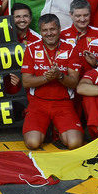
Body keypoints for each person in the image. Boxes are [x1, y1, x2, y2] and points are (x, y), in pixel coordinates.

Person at [20, 14, 82, 150]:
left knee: (74, 143)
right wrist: (47, 78)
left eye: (52, 29)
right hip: (38, 103)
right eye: (45, 30)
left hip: (63, 104)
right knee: (33, 143)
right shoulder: (31, 49)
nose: (49, 34)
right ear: (40, 32)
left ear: (59, 29)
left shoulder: (71, 48)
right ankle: (47, 128)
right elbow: (26, 82)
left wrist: (59, 76)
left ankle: (56, 129)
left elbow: (74, 83)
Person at [61, 0, 98, 73]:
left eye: (86, 15)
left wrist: (97, 63)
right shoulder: (62, 34)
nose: (82, 19)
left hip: (93, 81)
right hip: (69, 81)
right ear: (71, 15)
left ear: (90, 14)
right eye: (78, 16)